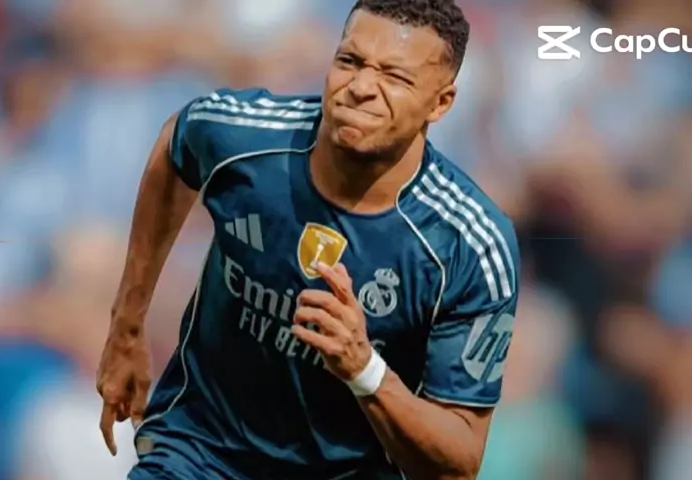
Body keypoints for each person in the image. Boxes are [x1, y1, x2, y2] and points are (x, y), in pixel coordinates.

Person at [96, 0, 520, 478]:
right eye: (350, 61)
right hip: (201, 453)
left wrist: (365, 370)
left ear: (440, 103)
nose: (361, 87)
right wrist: (126, 326)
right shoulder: (245, 139)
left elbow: (458, 464)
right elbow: (177, 145)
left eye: (395, 77)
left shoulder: (470, 245)